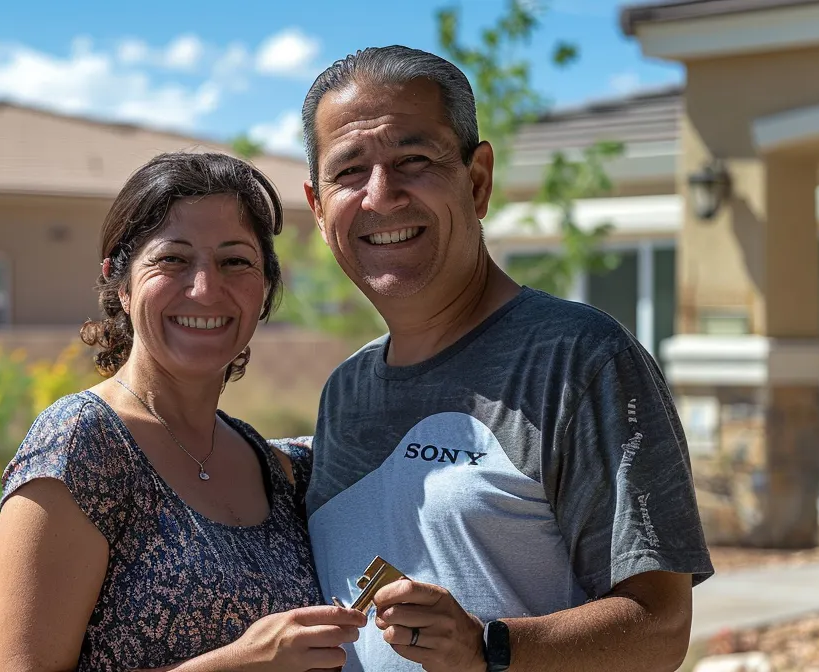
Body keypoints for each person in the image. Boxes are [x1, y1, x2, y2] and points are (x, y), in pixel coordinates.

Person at [293, 45, 715, 671]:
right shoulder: (345, 391)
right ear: (319, 208)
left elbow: (660, 627)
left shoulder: (578, 360)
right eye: (350, 172)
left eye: (413, 160)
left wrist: (489, 647)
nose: (381, 196)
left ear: (478, 179)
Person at [0, 151, 366, 671]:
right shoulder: (83, 445)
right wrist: (237, 665)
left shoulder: (276, 469)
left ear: (265, 290)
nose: (206, 289)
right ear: (119, 283)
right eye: (172, 259)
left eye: (235, 261)